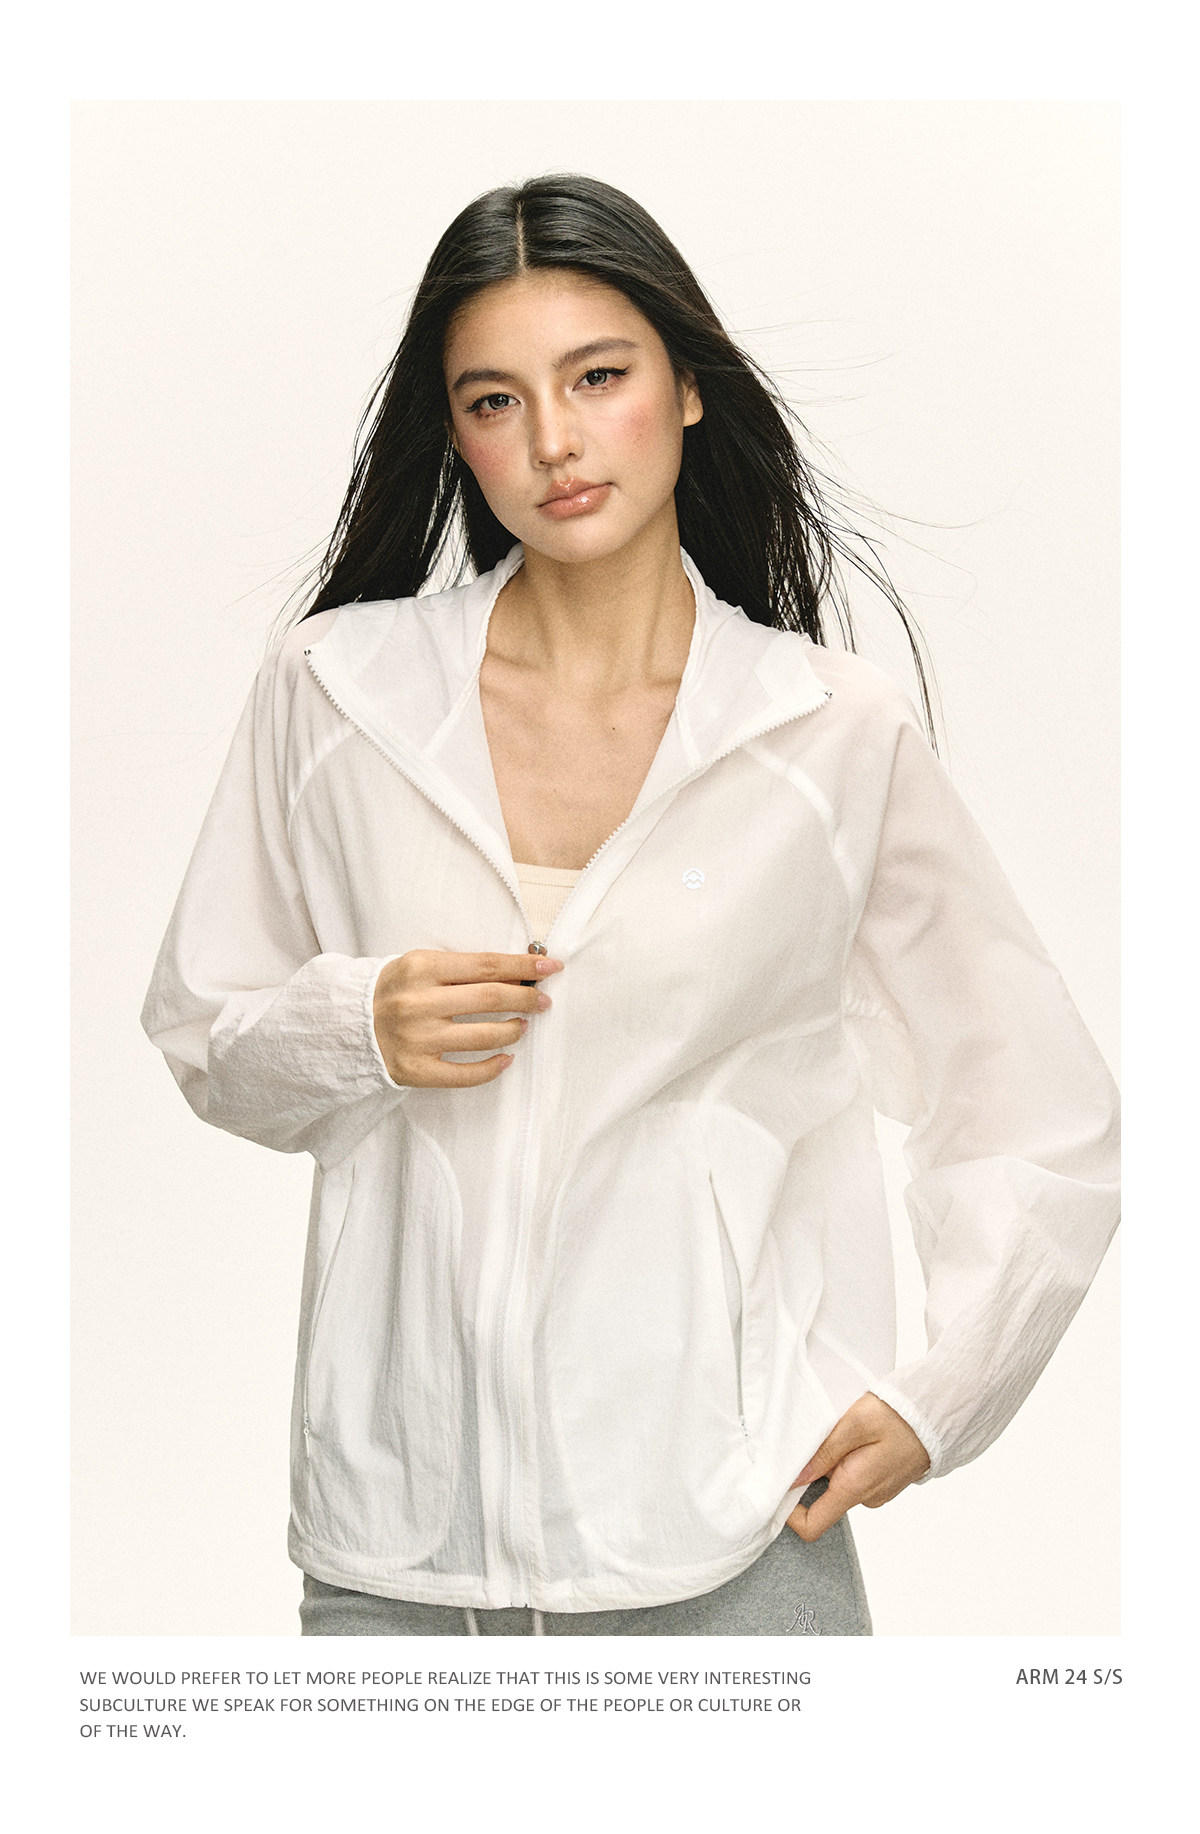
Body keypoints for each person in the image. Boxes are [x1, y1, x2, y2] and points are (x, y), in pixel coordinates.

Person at [142, 174, 1120, 1638]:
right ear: (454, 435)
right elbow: (203, 1028)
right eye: (495, 400)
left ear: (688, 388)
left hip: (731, 1539)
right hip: (397, 1557)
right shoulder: (335, 693)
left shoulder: (826, 735)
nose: (553, 440)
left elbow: (1034, 1104)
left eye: (598, 377)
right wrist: (355, 1026)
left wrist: (945, 1392)